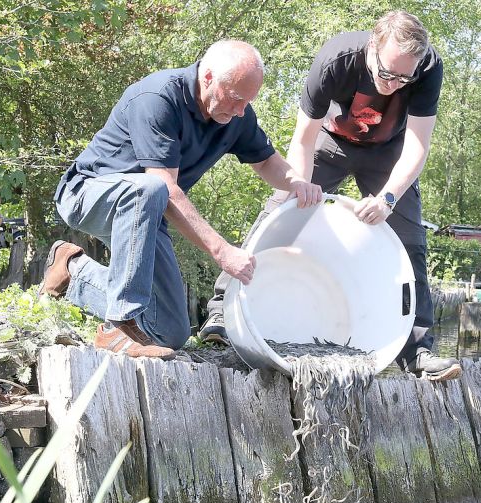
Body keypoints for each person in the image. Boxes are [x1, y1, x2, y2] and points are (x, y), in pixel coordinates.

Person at [199, 11, 461, 381]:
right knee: (281, 209)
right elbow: (303, 138)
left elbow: (418, 146)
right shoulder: (336, 59)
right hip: (330, 143)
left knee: (411, 239)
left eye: (403, 78)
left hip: (388, 153)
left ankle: (417, 350)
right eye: (386, 73)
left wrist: (388, 198)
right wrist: (298, 189)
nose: (392, 84)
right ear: (373, 47)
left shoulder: (428, 67)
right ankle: (222, 312)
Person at [42, 40, 322, 358]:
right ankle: (116, 327)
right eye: (236, 99)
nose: (242, 110)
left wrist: (296, 182)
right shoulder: (158, 97)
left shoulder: (236, 115)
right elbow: (164, 186)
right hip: (87, 196)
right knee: (151, 189)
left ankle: (72, 270)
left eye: (248, 102)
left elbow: (265, 161)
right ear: (208, 78)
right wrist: (223, 251)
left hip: (146, 212)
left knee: (168, 332)